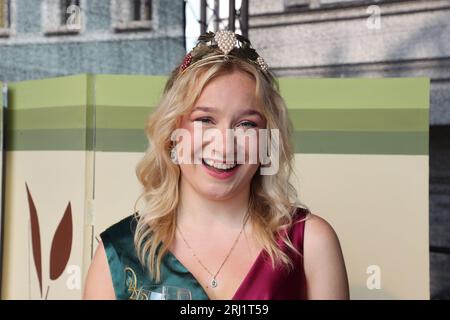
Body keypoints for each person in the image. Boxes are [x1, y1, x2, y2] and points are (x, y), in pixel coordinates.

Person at [83, 30, 349, 300]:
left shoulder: (310, 243)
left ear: (268, 140)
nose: (225, 145)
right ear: (172, 134)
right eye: (205, 120)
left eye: (246, 124)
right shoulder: (117, 255)